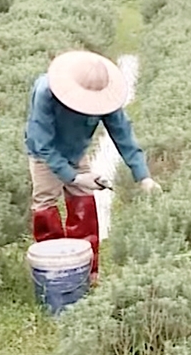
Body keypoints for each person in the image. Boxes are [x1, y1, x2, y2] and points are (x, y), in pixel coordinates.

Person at [25, 50, 160, 284]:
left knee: (84, 201)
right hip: (46, 154)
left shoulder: (106, 99)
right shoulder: (45, 91)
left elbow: (123, 135)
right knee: (45, 204)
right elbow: (42, 143)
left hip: (76, 151)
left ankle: (88, 271)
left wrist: (143, 176)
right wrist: (74, 177)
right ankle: (53, 274)